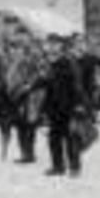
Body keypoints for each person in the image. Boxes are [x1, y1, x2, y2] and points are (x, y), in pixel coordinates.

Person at [42, 37, 85, 177]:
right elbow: (47, 85)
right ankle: (58, 166)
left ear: (61, 48)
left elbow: (77, 86)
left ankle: (75, 168)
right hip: (54, 109)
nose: (52, 49)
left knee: (70, 138)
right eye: (50, 46)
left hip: (68, 108)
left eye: (55, 46)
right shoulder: (51, 65)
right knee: (53, 138)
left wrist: (78, 105)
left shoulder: (69, 63)